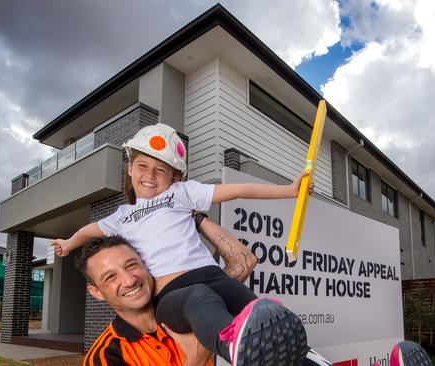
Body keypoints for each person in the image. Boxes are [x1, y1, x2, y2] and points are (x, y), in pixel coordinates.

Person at [52, 123, 310, 365]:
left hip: (213, 277)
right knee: (198, 298)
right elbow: (88, 230)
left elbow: (237, 190)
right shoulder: (121, 216)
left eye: (160, 170)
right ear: (130, 168)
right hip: (173, 295)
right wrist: (68, 242)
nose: (150, 175)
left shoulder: (183, 193)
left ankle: (304, 357)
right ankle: (232, 345)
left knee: (259, 313)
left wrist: (288, 191)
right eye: (142, 166)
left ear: (174, 177)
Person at [78, 216, 332, 366]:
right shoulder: (105, 356)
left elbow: (244, 262)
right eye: (111, 277)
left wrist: (195, 217)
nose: (129, 280)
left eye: (132, 265)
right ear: (96, 292)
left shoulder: (189, 306)